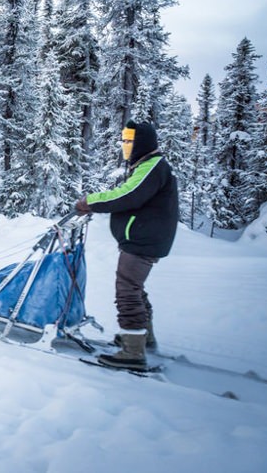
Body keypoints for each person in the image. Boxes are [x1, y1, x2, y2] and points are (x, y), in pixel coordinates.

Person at [75, 120, 179, 370]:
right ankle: (142, 338)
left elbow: (127, 195)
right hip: (144, 239)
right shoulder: (149, 166)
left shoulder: (152, 167)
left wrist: (91, 201)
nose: (125, 146)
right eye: (124, 141)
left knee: (127, 291)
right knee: (135, 288)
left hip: (143, 241)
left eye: (129, 141)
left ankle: (133, 351)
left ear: (141, 142)